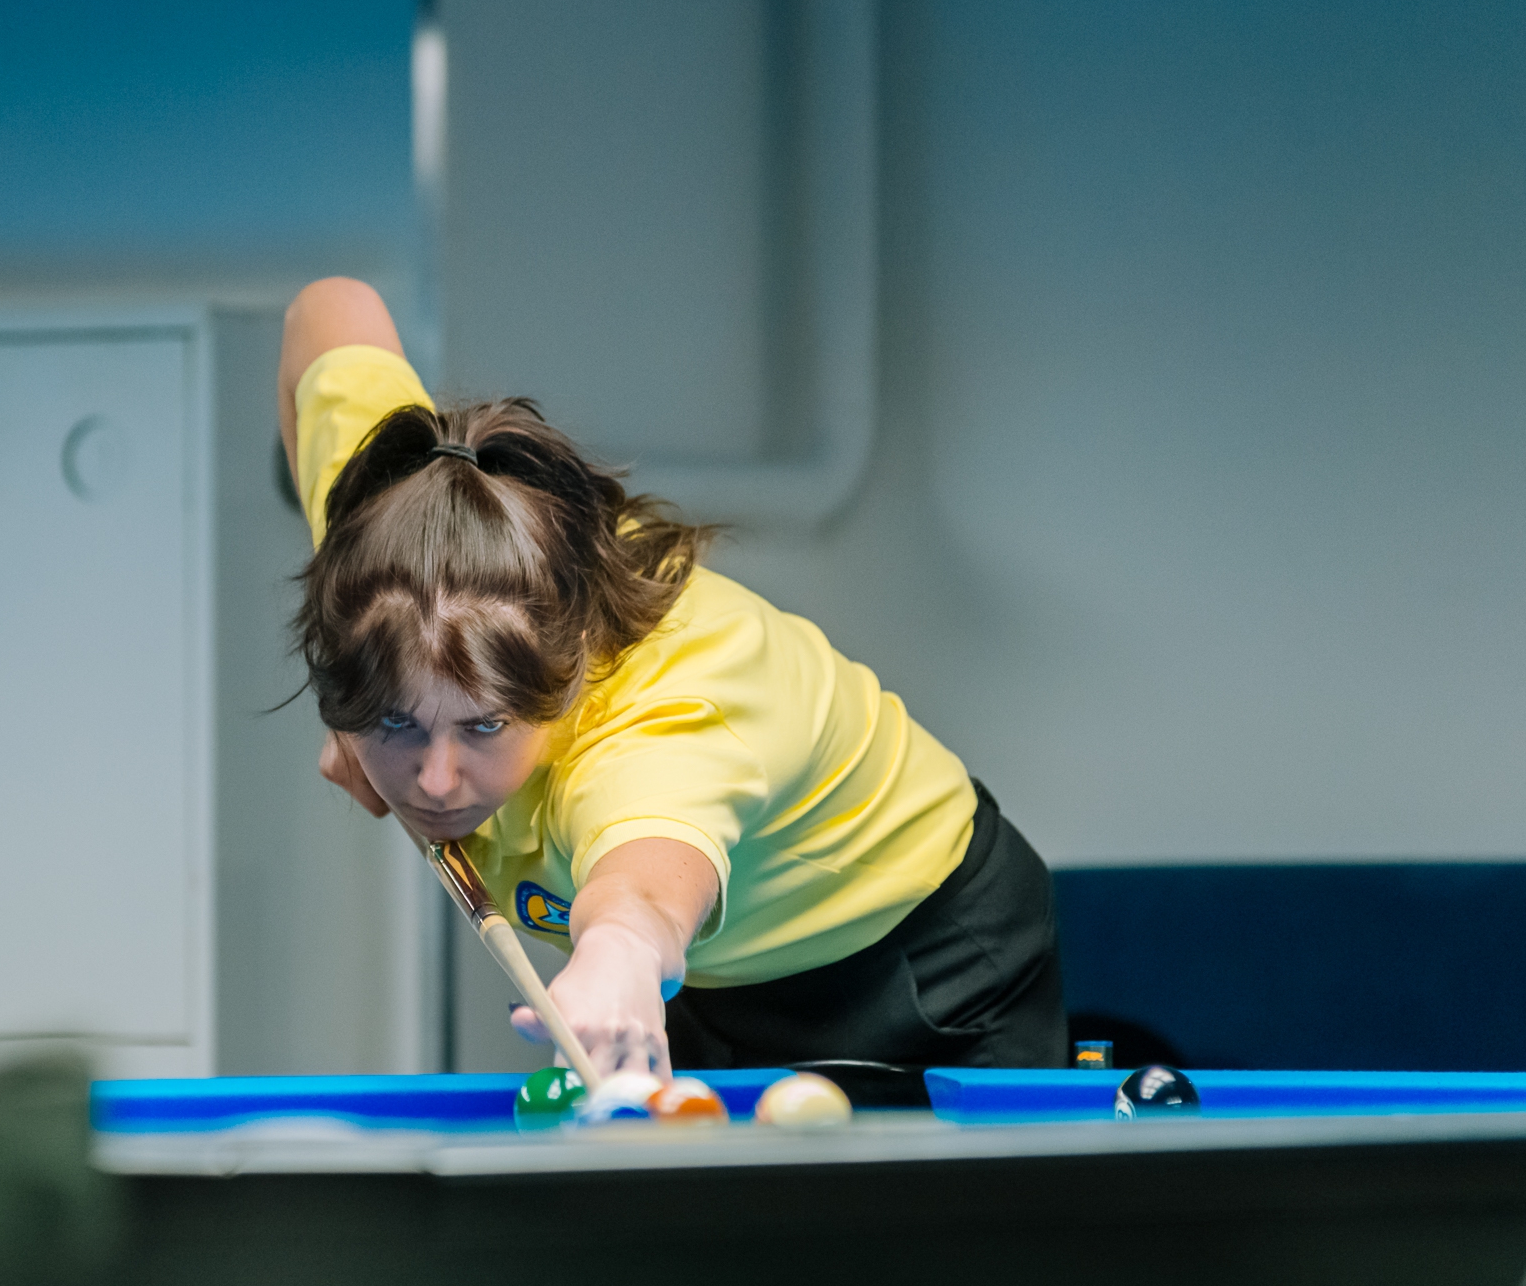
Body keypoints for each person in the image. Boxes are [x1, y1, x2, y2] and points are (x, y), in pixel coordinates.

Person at [279, 277, 1064, 1079]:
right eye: (401, 722)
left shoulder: (662, 722)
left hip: (922, 951)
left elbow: (643, 894)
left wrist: (619, 952)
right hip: (713, 981)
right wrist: (357, 698)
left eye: (483, 725)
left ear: (568, 675)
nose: (436, 780)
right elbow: (331, 307)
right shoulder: (398, 531)